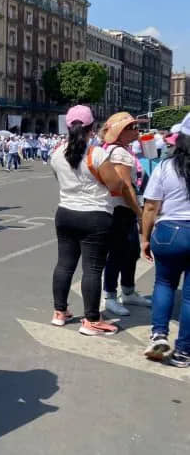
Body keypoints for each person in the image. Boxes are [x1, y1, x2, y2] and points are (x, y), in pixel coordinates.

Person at [48, 105, 124, 336]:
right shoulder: (97, 154)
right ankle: (91, 320)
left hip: (65, 213)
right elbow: (116, 185)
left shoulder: (56, 153)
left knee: (64, 264)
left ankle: (59, 312)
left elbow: (59, 179)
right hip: (95, 216)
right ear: (92, 128)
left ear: (68, 127)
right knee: (92, 269)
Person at [141, 112, 190, 367]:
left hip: (169, 231)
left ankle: (159, 334)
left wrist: (145, 238)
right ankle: (183, 352)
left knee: (164, 283)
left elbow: (150, 207)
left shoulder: (165, 167)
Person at [98, 113, 151, 316]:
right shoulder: (119, 153)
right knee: (118, 253)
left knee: (131, 251)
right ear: (120, 132)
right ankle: (110, 296)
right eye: (132, 127)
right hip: (121, 209)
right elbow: (125, 187)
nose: (137, 131)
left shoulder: (121, 149)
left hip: (121, 209)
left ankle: (128, 291)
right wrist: (139, 213)